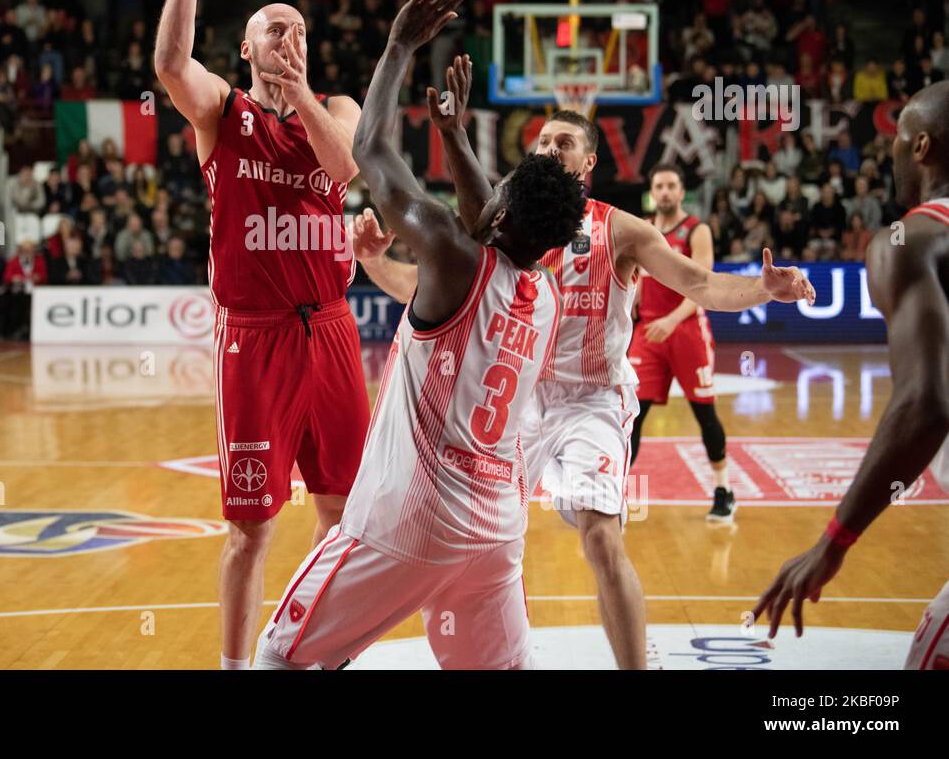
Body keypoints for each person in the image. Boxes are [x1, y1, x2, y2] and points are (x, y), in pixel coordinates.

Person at [355, 80, 816, 670]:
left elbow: (699, 284)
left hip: (594, 401)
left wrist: (763, 290)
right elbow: (432, 291)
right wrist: (373, 260)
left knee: (600, 533)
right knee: (488, 544)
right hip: (519, 404)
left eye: (564, 142)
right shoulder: (501, 225)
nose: (548, 148)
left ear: (589, 162)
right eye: (542, 140)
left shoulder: (619, 228)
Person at [256, 0, 585, 670]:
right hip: (495, 534)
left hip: (408, 522)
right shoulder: (547, 294)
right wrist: (454, 134)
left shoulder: (452, 255)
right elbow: (489, 218)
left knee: (280, 655)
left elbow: (371, 152)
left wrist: (400, 44)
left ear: (500, 212)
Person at [154, 0, 367, 670]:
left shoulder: (334, 107)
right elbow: (170, 60)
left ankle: (304, 645)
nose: (288, 37)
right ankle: (236, 667)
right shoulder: (221, 114)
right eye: (274, 29)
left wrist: (301, 89)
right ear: (244, 48)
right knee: (251, 527)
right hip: (256, 341)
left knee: (344, 514)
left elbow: (344, 166)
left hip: (333, 331)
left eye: (299, 29)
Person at [754, 80, 949, 670]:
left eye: (894, 137)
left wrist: (833, 541)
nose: (886, 151)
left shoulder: (912, 238)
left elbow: (927, 402)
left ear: (920, 147)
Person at [627, 164, 733, 519]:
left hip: (686, 329)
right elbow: (637, 280)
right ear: (652, 192)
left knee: (705, 413)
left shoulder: (696, 229)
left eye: (672, 185)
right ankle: (616, 495)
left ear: (681, 190)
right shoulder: (644, 229)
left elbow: (704, 285)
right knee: (632, 415)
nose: (666, 192)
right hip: (649, 332)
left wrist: (672, 320)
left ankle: (724, 490)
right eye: (660, 186)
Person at [2, 240, 46, 339]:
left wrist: (37, 277)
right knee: (17, 304)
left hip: (35, 291)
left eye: (30, 250)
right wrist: (15, 278)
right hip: (19, 291)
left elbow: (44, 276)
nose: (27, 252)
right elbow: (7, 277)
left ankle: (31, 329)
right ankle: (18, 329)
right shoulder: (13, 261)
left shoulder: (39, 260)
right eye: (25, 250)